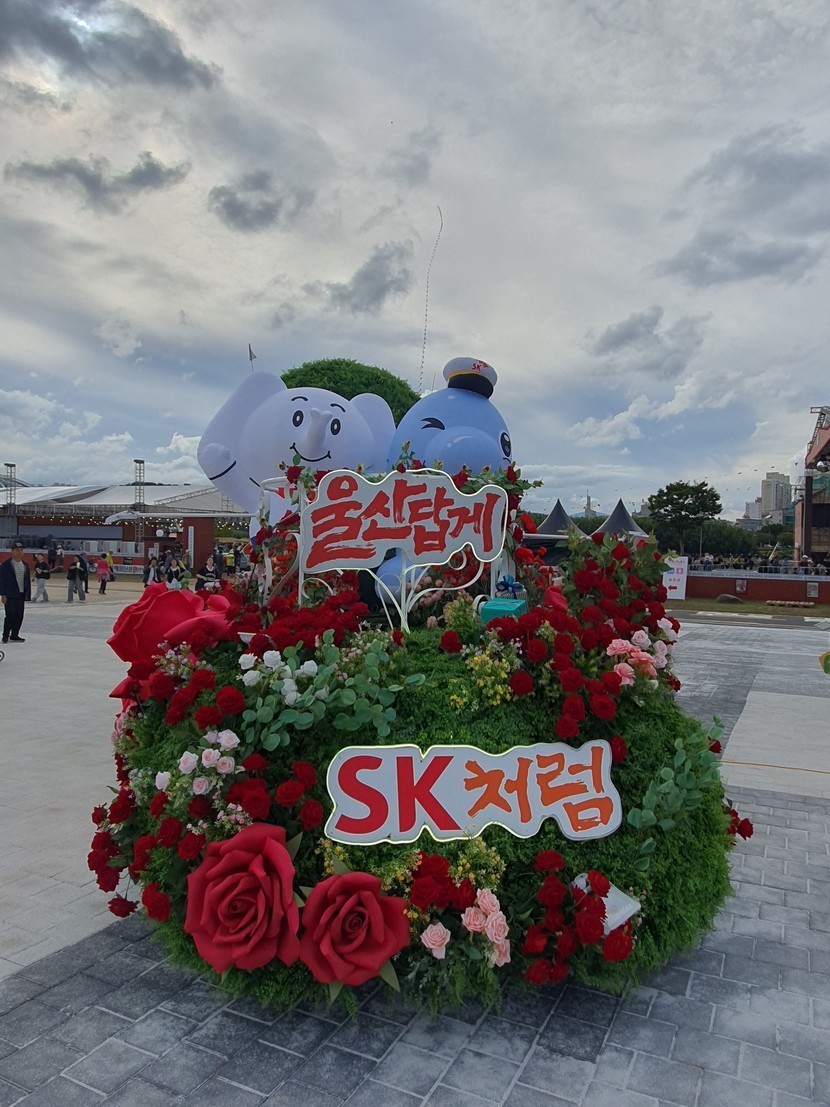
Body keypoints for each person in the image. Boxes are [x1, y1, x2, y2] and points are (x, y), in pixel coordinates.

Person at [1, 542, 31, 643]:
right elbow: (2, 580)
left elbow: (27, 581)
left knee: (19, 615)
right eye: (17, 550)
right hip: (10, 594)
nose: (19, 552)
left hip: (21, 594)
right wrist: (3, 594)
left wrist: (27, 594)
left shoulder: (25, 565)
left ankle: (15, 634)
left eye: (21, 550)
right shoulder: (6, 565)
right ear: (12, 551)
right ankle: (5, 635)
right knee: (10, 615)